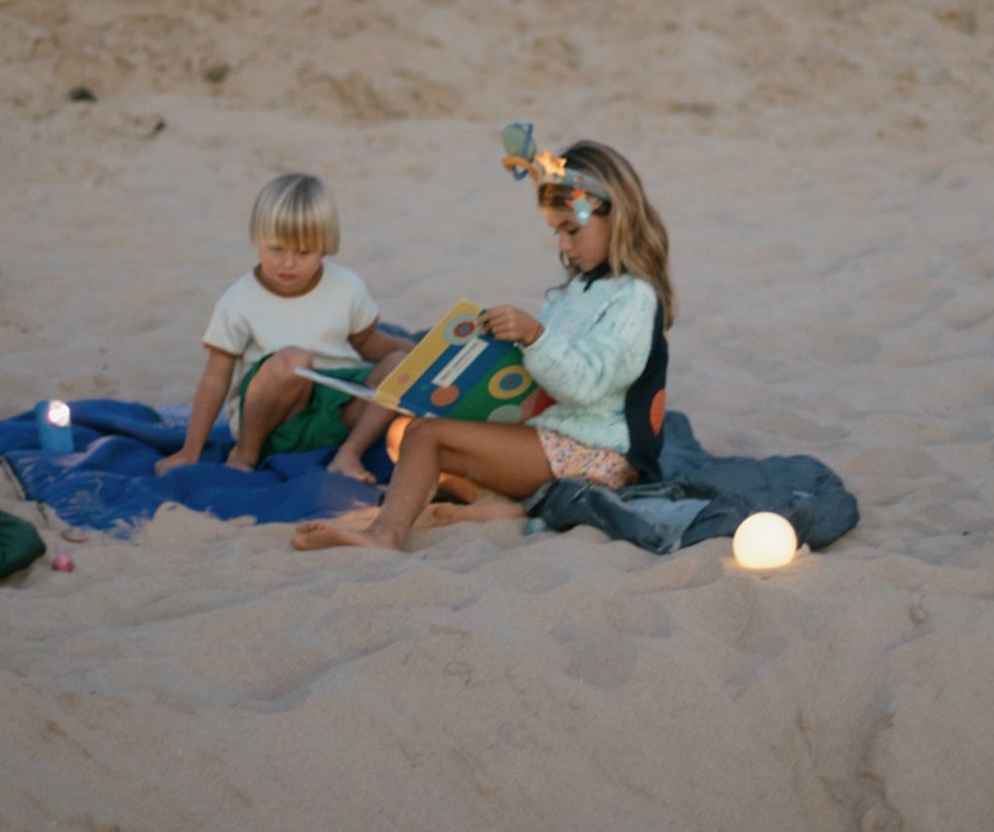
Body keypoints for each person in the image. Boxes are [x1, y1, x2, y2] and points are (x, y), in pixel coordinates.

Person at [292, 137, 673, 551]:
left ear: (615, 217)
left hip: (595, 454)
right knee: (403, 434)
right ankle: (498, 502)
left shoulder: (634, 297)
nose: (563, 245)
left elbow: (585, 385)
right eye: (556, 232)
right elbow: (547, 377)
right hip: (552, 433)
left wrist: (534, 336)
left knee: (427, 437)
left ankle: (385, 534)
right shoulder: (577, 290)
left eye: (571, 230)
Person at [154, 172, 411, 483]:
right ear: (257, 239)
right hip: (273, 420)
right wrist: (190, 450)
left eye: (304, 253)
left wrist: (419, 352)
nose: (288, 263)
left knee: (401, 364)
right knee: (293, 361)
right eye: (276, 249)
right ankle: (246, 455)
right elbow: (215, 378)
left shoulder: (346, 286)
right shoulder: (239, 300)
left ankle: (349, 454)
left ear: (326, 247)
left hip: (338, 412)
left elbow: (369, 343)